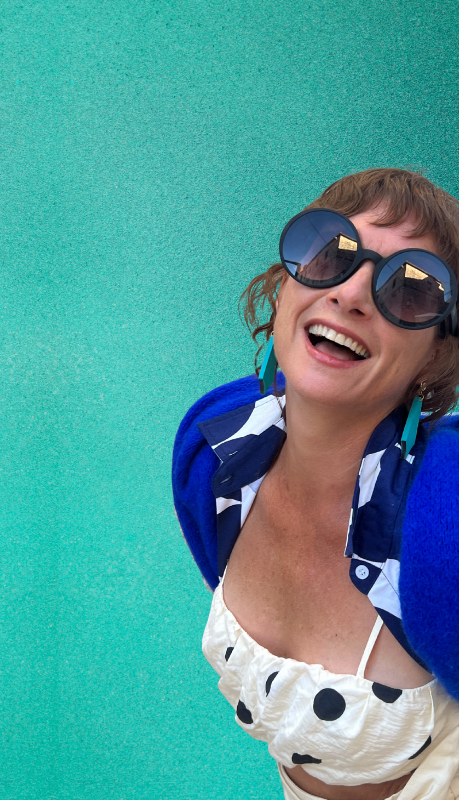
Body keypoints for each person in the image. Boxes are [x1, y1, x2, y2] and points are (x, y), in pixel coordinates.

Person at [172, 169, 459, 800]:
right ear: (284, 286)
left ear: (436, 355)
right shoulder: (215, 451)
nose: (351, 294)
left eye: (410, 289)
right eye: (330, 252)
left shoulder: (445, 527)